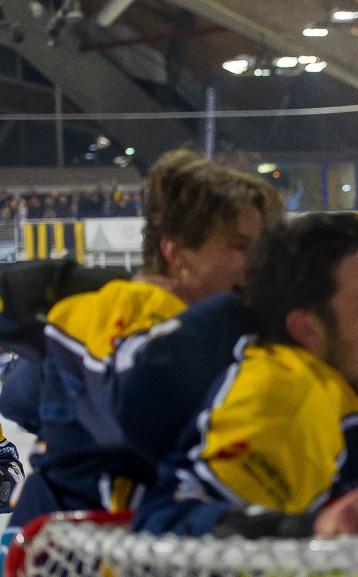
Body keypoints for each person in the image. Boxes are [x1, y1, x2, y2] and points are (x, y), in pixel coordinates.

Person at [6, 152, 282, 534]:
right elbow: (127, 411)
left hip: (105, 550)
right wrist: (231, 316)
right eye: (239, 246)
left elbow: (19, 396)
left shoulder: (191, 326)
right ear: (176, 252)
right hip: (67, 556)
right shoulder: (129, 306)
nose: (256, 263)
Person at [134, 212, 358, 539]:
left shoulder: (341, 369)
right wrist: (305, 528)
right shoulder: (287, 393)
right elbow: (169, 529)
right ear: (306, 328)